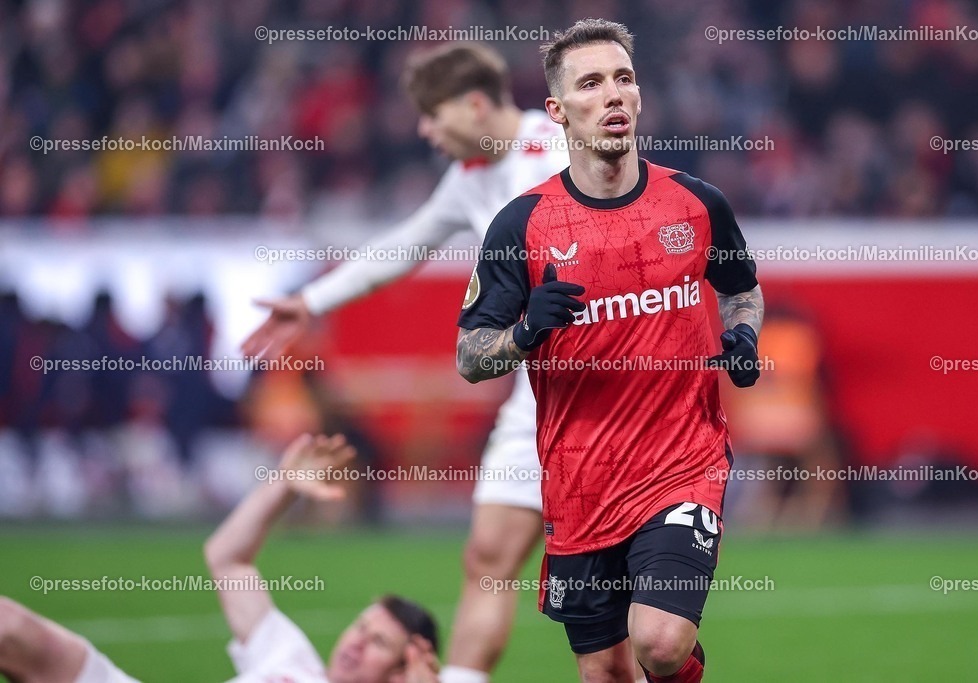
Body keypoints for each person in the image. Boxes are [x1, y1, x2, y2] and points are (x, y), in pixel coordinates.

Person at [241, 42, 569, 683]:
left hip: (607, 388)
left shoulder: (556, 150)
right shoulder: (474, 173)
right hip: (537, 389)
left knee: (604, 589)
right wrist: (310, 300)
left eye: (431, 114)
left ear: (475, 104)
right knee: (487, 559)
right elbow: (405, 243)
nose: (424, 130)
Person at [456, 19, 764, 683]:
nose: (613, 94)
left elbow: (742, 290)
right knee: (606, 668)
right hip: (580, 481)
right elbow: (470, 354)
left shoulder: (696, 203)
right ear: (559, 111)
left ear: (641, 96)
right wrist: (523, 333)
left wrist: (744, 334)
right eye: (592, 83)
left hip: (682, 461)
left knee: (658, 640)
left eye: (623, 78)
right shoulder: (522, 225)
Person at [0, 433, 441, 683]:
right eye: (362, 627)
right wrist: (282, 487)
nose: (358, 642)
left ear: (401, 677)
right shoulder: (292, 658)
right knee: (11, 627)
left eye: (379, 643)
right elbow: (229, 560)